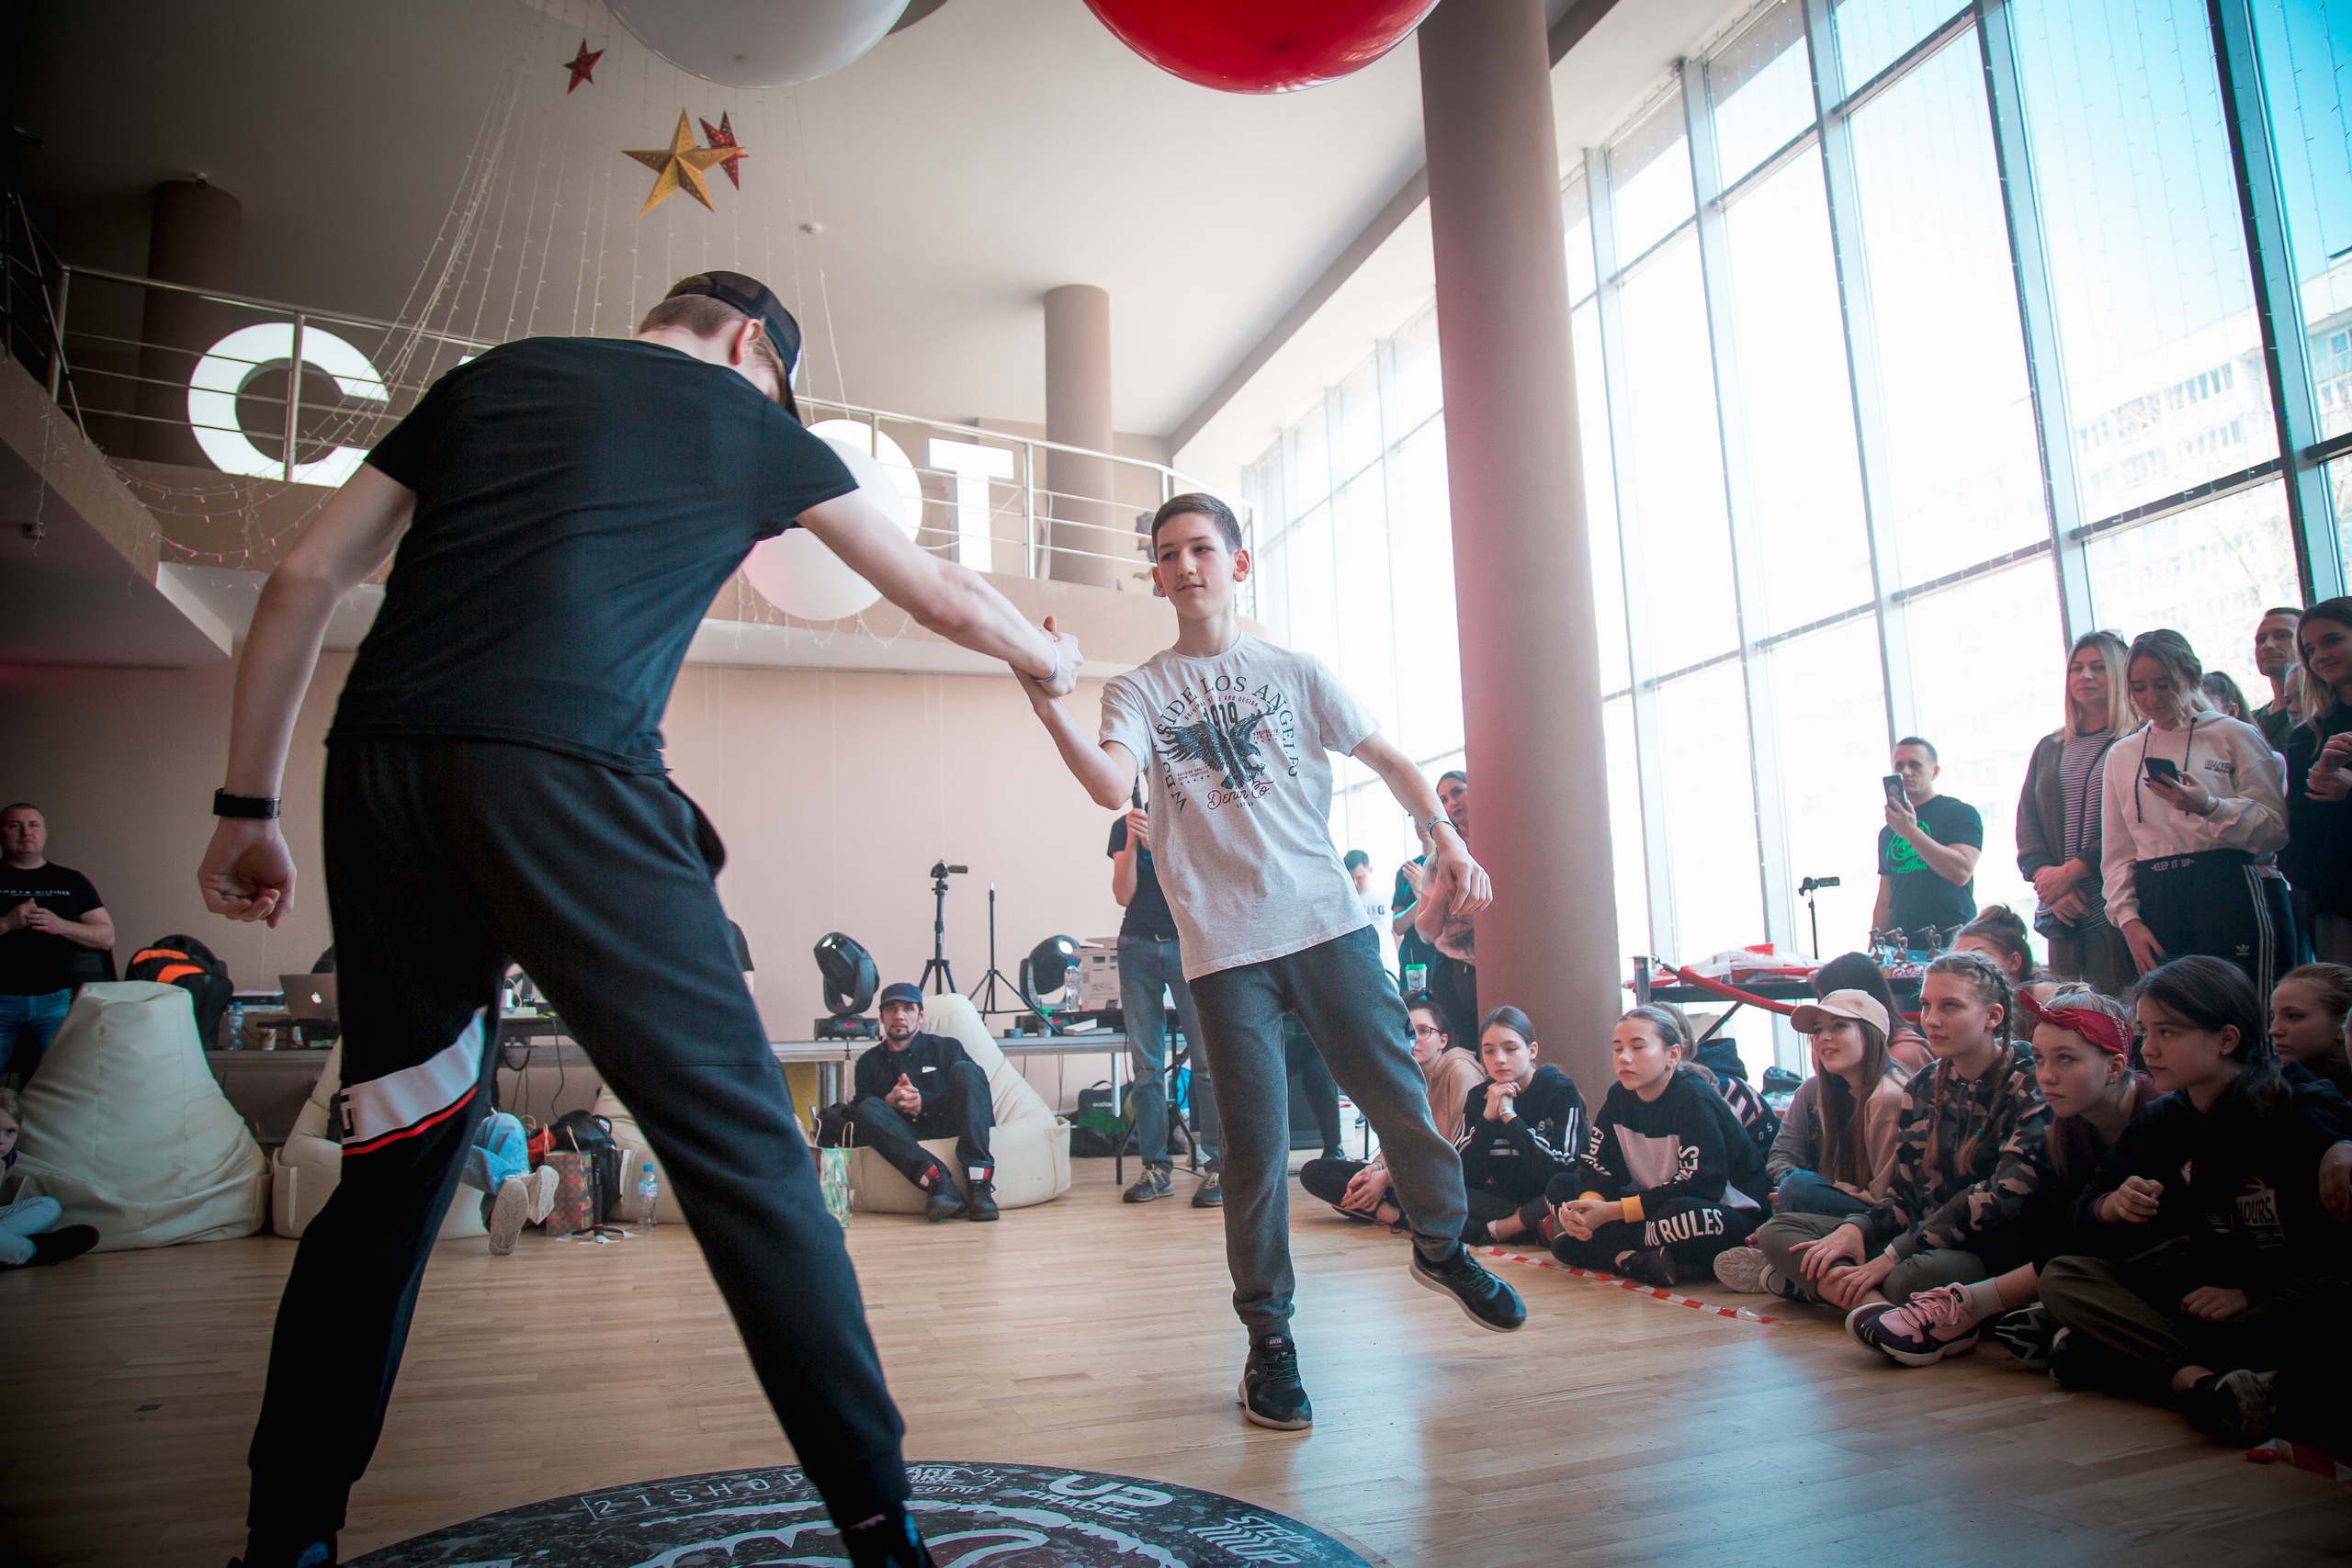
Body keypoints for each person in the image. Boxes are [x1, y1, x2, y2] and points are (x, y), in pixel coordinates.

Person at [193, 271, 1083, 1568]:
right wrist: (1052, 660)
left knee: (395, 1162)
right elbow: (937, 587)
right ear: (748, 345)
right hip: (567, 774)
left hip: (379, 772)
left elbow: (301, 575)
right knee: (748, 1153)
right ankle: (885, 1534)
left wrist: (244, 804)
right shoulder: (751, 418)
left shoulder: (483, 382)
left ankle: (287, 1537)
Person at [1021, 491, 1525, 1434]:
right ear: (1156, 574)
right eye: (1166, 554)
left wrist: (1445, 840)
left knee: (1400, 1108)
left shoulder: (1295, 670)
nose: (1184, 566)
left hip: (1329, 925)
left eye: (1201, 549)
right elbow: (1106, 781)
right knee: (1251, 1155)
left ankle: (1442, 1245)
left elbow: (1390, 757)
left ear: (1238, 564)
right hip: (1224, 952)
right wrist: (1045, 698)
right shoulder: (1138, 689)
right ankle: (1270, 1344)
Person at [2041, 956, 2352, 1447]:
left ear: (2226, 1039)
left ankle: (2155, 1363)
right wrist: (2112, 1205)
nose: (2150, 1049)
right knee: (2064, 1275)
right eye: (2145, 1032)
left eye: (2168, 1033)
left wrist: (2253, 1290)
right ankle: (2205, 1385)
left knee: (2337, 1298)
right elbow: (2083, 1214)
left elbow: (2330, 1245)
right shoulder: (2164, 1119)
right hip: (2206, 1303)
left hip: (2276, 1299)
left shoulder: (2294, 1107)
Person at [1854, 987, 2156, 1368]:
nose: (2046, 1075)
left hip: (2149, 1268)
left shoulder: (2156, 1115)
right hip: (2073, 1263)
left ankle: (1969, 1310)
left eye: (2065, 1060)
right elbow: (2068, 1220)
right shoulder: (2068, 1123)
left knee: (2056, 1274)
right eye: (2042, 1058)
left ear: (2114, 1068)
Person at [1747, 953, 2048, 1329]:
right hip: (1920, 1236)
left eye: (1950, 1006)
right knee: (1781, 1232)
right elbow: (1905, 1196)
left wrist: (1891, 1254)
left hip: (1986, 1250)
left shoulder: (2029, 1079)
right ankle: (1876, 1312)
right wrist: (1857, 1228)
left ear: (1993, 1017)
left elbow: (2001, 1196)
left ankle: (1819, 1288)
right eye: (1925, 1005)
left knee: (1907, 1278)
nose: (1931, 1020)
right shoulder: (1925, 1084)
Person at [2099, 628, 2290, 996]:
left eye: (2164, 684)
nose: (2150, 698)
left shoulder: (2234, 734)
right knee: (2176, 1015)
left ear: (2192, 677)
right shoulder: (2122, 754)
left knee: (2245, 1008)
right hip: (2157, 892)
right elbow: (2118, 850)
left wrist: (2209, 806)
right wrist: (2129, 920)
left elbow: (2276, 829)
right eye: (2138, 688)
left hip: (2229, 884)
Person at [1549, 1007, 1767, 1287]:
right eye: (1618, 1049)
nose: (1624, 1058)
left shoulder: (1693, 1098)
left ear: (1673, 1055)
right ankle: (1634, 1259)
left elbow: (1702, 1186)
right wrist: (1589, 1207)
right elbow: (1598, 1165)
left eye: (1638, 1047)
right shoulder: (1619, 1096)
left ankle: (1613, 1250)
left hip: (1722, 1213)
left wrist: (1612, 1214)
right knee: (1562, 1186)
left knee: (1684, 1216)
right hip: (1651, 1210)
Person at [1110, 798, 1219, 1208]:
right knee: (1146, 1068)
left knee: (1207, 1063)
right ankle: (1156, 1169)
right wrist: (1134, 843)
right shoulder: (1125, 825)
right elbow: (1123, 895)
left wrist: (1159, 844)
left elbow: (1202, 884)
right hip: (1136, 946)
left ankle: (1217, 1166)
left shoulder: (1192, 813)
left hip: (1187, 943)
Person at [2016, 631, 2136, 995]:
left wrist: (2072, 871)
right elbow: (2028, 822)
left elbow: (2133, 823)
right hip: (2064, 909)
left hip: (2120, 900)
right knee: (2073, 1013)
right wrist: (2049, 882)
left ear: (2118, 675)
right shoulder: (2050, 747)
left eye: (2098, 668)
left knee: (2125, 1006)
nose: (2085, 676)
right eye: (2077, 668)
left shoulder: (2136, 740)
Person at [1741, 991, 1911, 1245]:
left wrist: (1817, 1190)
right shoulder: (1818, 1089)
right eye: (1818, 1030)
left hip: (1886, 1221)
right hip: (1847, 1206)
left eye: (1840, 1026)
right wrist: (1796, 1185)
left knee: (1796, 1193)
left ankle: (1781, 1259)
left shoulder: (1888, 1096)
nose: (1824, 1038)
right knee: (1792, 1193)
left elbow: (1885, 1200)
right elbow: (1782, 1154)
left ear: (1871, 1032)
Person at [1299, 994, 1483, 1228]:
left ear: (1443, 1040)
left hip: (1449, 1179)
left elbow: (1453, 1154)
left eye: (1424, 1031)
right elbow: (1398, 1140)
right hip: (1409, 1174)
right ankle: (1391, 1213)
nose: (1414, 1039)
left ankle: (1390, 1214)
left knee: (1358, 1194)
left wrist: (1387, 1179)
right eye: (1408, 1030)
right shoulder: (1407, 1076)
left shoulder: (1459, 1071)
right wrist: (1376, 1169)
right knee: (1317, 1172)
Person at [850, 982, 999, 1224]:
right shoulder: (868, 1062)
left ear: (920, 1016)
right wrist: (888, 1103)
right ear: (881, 1017)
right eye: (891, 1009)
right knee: (867, 1107)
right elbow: (861, 1118)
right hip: (905, 1138)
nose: (899, 1015)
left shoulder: (946, 1048)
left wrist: (924, 1104)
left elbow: (972, 1097)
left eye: (907, 1008)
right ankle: (938, 1181)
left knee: (968, 1072)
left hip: (949, 1125)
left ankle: (979, 1184)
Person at [0, 805, 115, 1078]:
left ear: (45, 833)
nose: (26, 832)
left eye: (33, 824)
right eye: (14, 825)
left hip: (54, 1001)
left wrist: (60, 925)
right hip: (1, 1000)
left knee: (50, 1087)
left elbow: (106, 936)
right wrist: (7, 923)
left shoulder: (71, 880)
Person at [1455, 1005, 1584, 1245]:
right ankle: (1524, 1229)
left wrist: (1509, 1117)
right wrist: (1487, 1120)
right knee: (1434, 1191)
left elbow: (1564, 1169)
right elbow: (1460, 1175)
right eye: (1489, 1051)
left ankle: (1494, 1230)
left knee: (1567, 1189)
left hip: (1546, 1198)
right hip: (1502, 1202)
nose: (1499, 1060)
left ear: (1532, 1051)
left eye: (1510, 1049)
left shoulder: (1559, 1090)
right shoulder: (1479, 1096)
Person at [2282, 599, 2352, 964]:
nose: (2320, 656)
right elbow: (2297, 834)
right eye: (2310, 649)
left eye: (2332, 641)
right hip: (2339, 906)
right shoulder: (2306, 737)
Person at [1872, 738, 1983, 952]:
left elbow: (1962, 871)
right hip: (1901, 947)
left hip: (1951, 943)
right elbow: (1885, 899)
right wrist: (1875, 952)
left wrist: (1911, 833)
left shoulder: (1959, 813)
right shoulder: (1888, 831)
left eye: (1915, 764)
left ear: (1934, 771)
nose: (1906, 772)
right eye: (1899, 765)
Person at [1393, 772, 1476, 1030]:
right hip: (1451, 969)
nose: (1452, 803)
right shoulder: (1430, 865)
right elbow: (1419, 929)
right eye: (1443, 799)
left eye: (1457, 792)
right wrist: (1436, 888)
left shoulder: (1502, 843)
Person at [0, 1085, 99, 1268]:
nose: (2, 1140)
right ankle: (35, 1251)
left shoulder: (8, 1158)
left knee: (49, 1206)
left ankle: (9, 1246)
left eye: (9, 1132)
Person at [1813, 953, 1930, 1074]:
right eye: (1822, 1001)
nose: (1825, 1009)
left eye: (1840, 1025)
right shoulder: (1830, 1053)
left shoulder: (1904, 1054)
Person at [2271, 963, 2352, 1098]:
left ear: (2344, 1024)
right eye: (2273, 1017)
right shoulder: (2269, 1097)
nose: (2273, 1031)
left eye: (2293, 1016)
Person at [1954, 907, 2048, 999]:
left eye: (1978, 958)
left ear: (2014, 962)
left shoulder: (2046, 1002)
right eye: (1956, 963)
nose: (1964, 970)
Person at [2250, 604, 2304, 751]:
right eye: (2261, 640)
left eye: (2282, 636)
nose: (2268, 645)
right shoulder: (2249, 721)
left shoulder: (2325, 712)